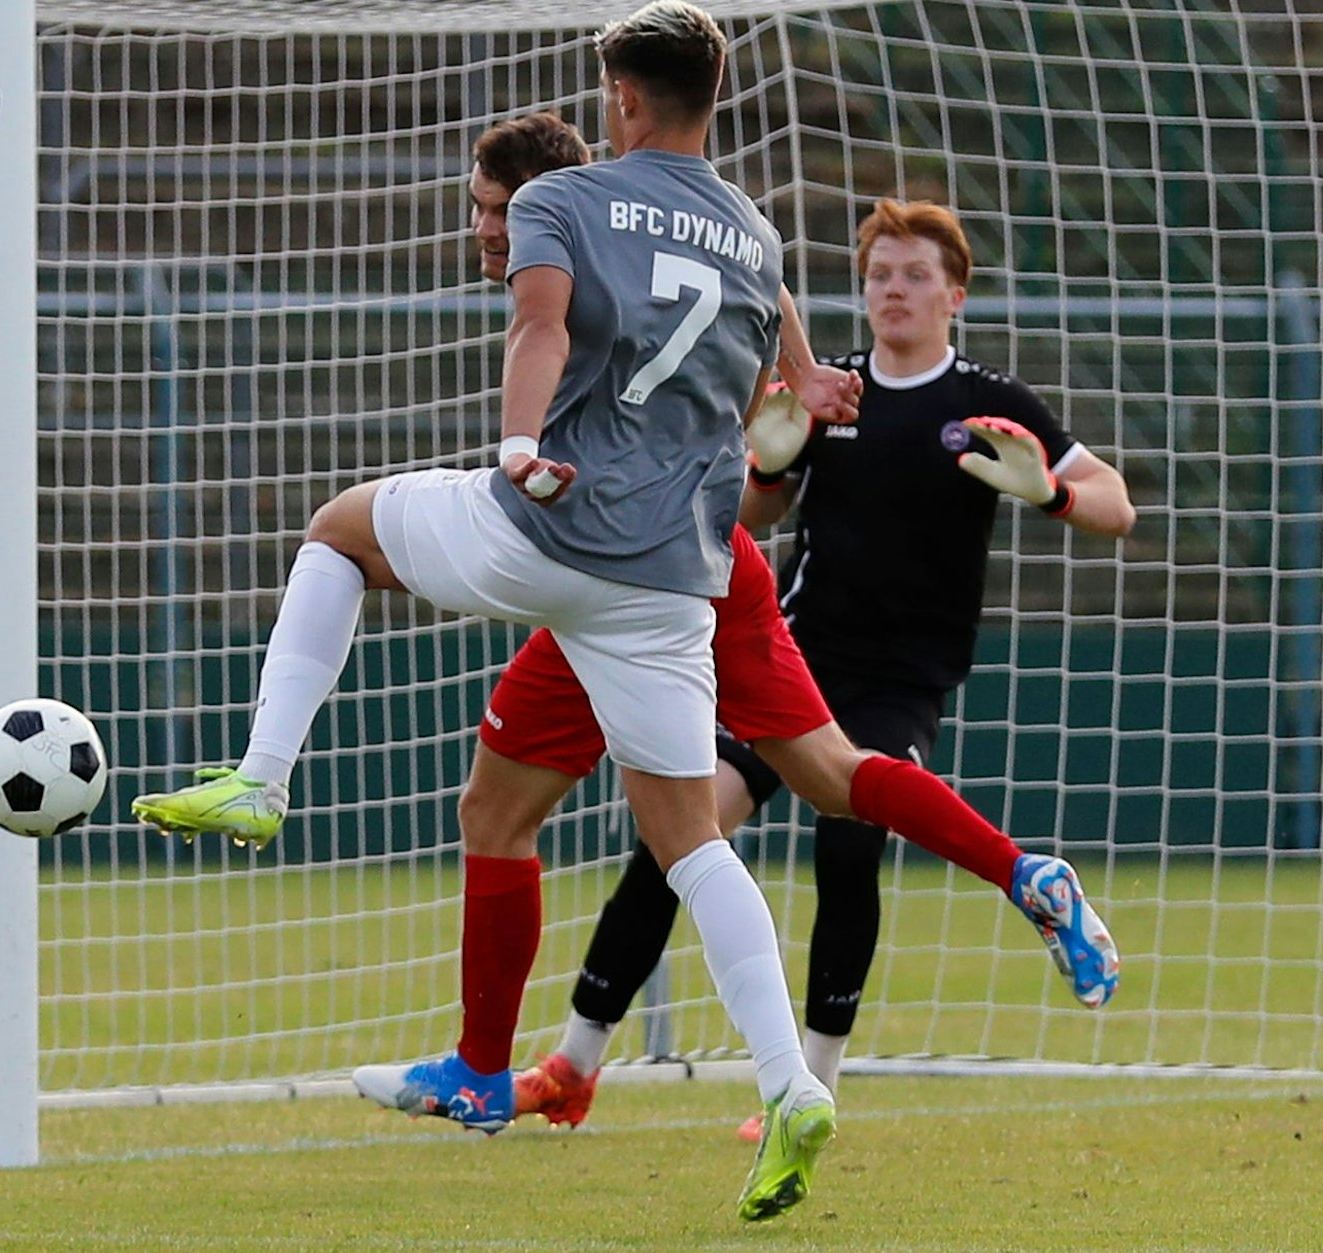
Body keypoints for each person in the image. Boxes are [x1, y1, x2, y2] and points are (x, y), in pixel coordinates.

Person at [132, 3, 858, 1222]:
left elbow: (537, 322)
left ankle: (261, 774)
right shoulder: (752, 233)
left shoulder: (562, 198)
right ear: (710, 97)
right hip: (671, 579)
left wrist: (519, 446)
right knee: (691, 839)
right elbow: (773, 369)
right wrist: (801, 385)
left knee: (339, 530)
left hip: (547, 523)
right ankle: (790, 1083)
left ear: (620, 100)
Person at [516, 197, 1139, 1140]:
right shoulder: (829, 389)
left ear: (954, 295)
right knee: (681, 836)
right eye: (880, 272)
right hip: (796, 660)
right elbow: (755, 521)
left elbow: (1116, 504)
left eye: (916, 274)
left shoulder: (991, 403)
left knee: (849, 847)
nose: (894, 288)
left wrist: (1050, 490)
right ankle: (576, 1060)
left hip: (901, 682)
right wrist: (767, 469)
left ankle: (808, 1085)